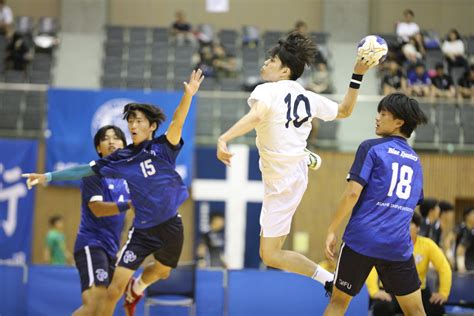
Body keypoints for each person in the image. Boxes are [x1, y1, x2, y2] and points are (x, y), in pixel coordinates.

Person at [23, 69, 204, 316]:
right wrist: (48, 176)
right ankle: (128, 289)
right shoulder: (120, 158)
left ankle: (137, 287)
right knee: (112, 290)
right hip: (141, 231)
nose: (133, 125)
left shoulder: (163, 148)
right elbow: (83, 170)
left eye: (139, 120)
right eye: (130, 121)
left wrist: (189, 96)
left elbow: (177, 122)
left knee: (162, 272)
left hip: (171, 224)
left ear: (151, 126)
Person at [216, 31, 373, 291]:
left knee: (270, 254)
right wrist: (357, 73)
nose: (266, 63)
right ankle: (302, 153)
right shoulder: (307, 96)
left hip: (280, 178)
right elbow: (345, 110)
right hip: (294, 172)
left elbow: (257, 116)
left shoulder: (267, 90)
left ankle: (327, 279)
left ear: (285, 70)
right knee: (272, 252)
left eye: (272, 61)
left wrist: (225, 137)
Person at [324, 93, 428, 316]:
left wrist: (332, 229)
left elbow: (352, 193)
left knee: (338, 304)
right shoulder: (416, 161)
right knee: (416, 311)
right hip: (397, 245)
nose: (377, 118)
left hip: (361, 240)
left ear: (399, 122)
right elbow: (413, 202)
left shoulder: (371, 148)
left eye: (383, 114)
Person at [72, 125, 132, 316]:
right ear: (99, 148)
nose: (112, 141)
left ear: (124, 144)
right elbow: (97, 209)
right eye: (106, 139)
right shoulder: (93, 173)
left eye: (116, 138)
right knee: (94, 304)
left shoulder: (128, 176)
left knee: (106, 307)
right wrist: (129, 204)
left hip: (112, 249)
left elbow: (128, 218)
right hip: (92, 244)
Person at [367, 212, 452, 316]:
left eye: (409, 223)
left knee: (437, 307)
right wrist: (374, 291)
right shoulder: (387, 244)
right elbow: (373, 267)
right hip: (391, 291)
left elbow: (444, 267)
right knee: (381, 307)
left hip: (418, 291)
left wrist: (443, 293)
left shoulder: (428, 245)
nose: (404, 227)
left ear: (418, 228)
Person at [438, 200, 456, 267]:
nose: (452, 216)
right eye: (450, 213)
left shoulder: (443, 226)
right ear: (444, 214)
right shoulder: (437, 226)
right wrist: (449, 256)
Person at [456, 206, 474, 272]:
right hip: (468, 268)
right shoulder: (462, 228)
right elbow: (460, 249)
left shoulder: (471, 231)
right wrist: (461, 267)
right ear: (467, 216)